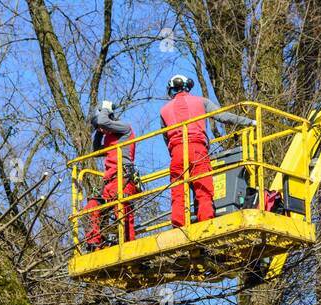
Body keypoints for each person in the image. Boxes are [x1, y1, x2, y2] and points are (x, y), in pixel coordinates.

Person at [158, 75, 251, 228]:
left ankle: (178, 228)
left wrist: (177, 152)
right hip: (197, 149)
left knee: (178, 193)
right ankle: (206, 224)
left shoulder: (164, 110)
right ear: (188, 86)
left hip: (177, 153)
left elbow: (166, 138)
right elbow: (224, 116)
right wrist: (248, 122)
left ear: (171, 89)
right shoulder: (201, 102)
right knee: (203, 189)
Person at [85, 102, 138, 248]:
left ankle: (128, 244)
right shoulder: (108, 138)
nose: (101, 128)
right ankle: (95, 243)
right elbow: (96, 150)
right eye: (99, 127)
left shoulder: (125, 130)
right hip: (109, 181)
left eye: (102, 126)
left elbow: (103, 121)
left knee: (122, 210)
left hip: (123, 177)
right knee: (92, 206)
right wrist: (100, 132)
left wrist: (106, 109)